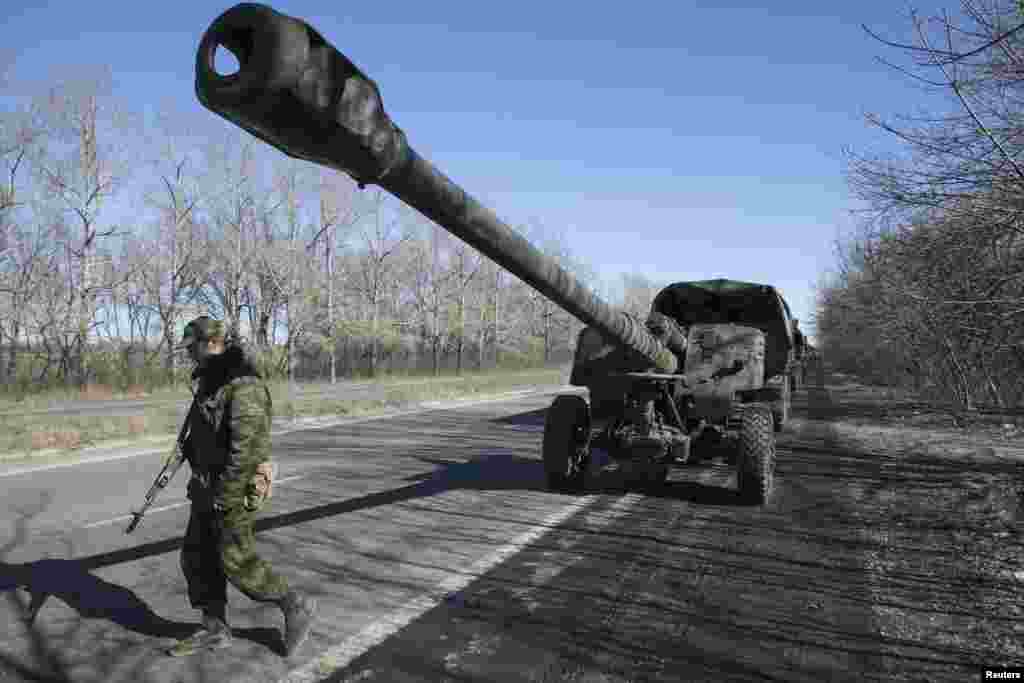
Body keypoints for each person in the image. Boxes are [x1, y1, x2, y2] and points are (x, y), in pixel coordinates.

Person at [167, 315, 317, 657]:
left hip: (230, 490)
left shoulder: (242, 384)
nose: (188, 355)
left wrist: (227, 497)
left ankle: (295, 604)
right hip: (206, 487)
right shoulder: (211, 381)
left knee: (236, 562)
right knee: (197, 558)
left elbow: (246, 450)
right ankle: (214, 628)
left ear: (209, 344)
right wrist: (190, 452)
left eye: (191, 348)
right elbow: (209, 433)